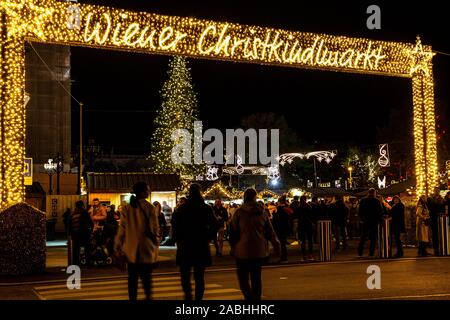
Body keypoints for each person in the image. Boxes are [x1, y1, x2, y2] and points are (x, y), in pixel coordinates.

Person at [229, 188, 281, 300]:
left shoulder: (239, 212)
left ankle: (248, 297)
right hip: (259, 250)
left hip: (242, 250)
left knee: (243, 278)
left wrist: (233, 247)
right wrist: (277, 246)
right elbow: (270, 232)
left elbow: (233, 232)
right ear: (255, 197)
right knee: (256, 277)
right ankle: (256, 299)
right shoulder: (262, 212)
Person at [171, 184, 218, 300]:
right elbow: (215, 225)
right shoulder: (206, 208)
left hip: (185, 244)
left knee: (185, 275)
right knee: (199, 276)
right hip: (200, 244)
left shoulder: (181, 209)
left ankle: (188, 295)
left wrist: (177, 239)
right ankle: (198, 299)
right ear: (200, 192)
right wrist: (208, 236)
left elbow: (175, 225)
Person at [114, 182, 159, 300]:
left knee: (132, 279)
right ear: (143, 192)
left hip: (131, 250)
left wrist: (117, 246)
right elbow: (154, 229)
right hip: (146, 249)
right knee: (146, 279)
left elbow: (122, 230)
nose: (149, 192)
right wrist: (156, 244)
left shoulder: (126, 208)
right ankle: (148, 298)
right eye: (147, 190)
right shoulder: (150, 208)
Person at [357, 188, 383, 258]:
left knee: (363, 236)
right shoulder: (376, 201)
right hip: (374, 221)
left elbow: (360, 211)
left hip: (365, 221)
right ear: (374, 193)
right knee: (373, 238)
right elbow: (380, 212)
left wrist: (362, 219)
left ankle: (360, 252)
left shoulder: (363, 200)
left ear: (368, 193)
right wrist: (379, 220)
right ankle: (371, 253)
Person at [69, 201, 92, 265]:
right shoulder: (84, 212)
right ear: (82, 205)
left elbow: (69, 225)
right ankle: (88, 262)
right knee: (87, 248)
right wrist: (91, 230)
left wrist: (70, 234)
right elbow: (90, 222)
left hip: (75, 234)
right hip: (84, 233)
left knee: (76, 249)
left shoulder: (72, 213)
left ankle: (75, 262)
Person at [272, 195, 291, 263]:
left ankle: (284, 258)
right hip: (284, 228)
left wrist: (274, 215)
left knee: (282, 244)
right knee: (283, 243)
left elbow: (277, 220)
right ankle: (284, 257)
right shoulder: (286, 209)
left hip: (281, 228)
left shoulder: (280, 210)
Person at [295, 196, 314, 261]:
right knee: (310, 240)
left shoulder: (298, 207)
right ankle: (310, 255)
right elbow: (312, 216)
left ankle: (304, 256)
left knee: (303, 241)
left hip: (301, 225)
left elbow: (296, 216)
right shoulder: (309, 207)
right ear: (305, 199)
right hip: (308, 224)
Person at [428, 187, 444, 255]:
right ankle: (436, 249)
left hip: (441, 219)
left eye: (438, 190)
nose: (437, 191)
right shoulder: (431, 199)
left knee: (441, 234)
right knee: (435, 234)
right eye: (436, 190)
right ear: (434, 191)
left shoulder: (441, 199)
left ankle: (442, 248)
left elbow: (443, 208)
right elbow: (429, 208)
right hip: (433, 219)